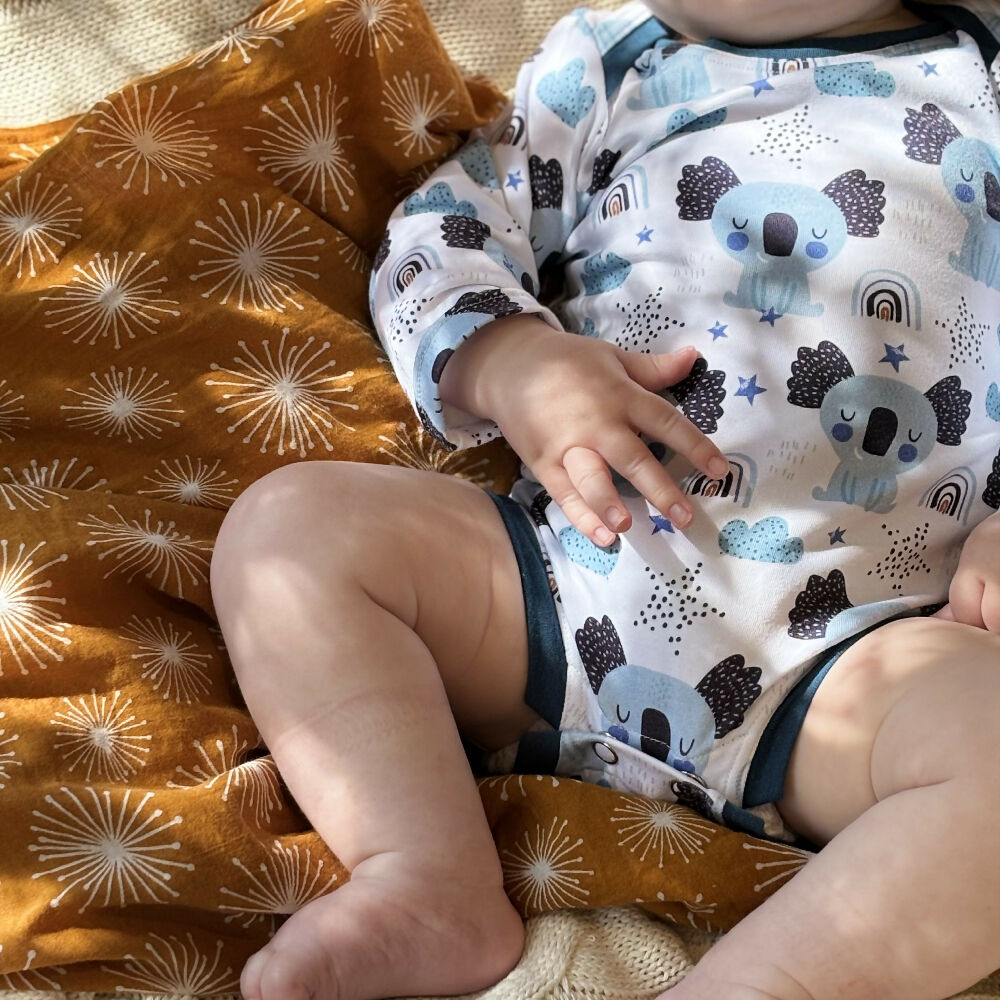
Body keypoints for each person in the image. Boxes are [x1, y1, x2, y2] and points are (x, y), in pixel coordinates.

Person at [209, 0, 1000, 997]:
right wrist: (511, 362)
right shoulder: (610, 61)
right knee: (291, 534)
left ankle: (768, 982)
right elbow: (442, 235)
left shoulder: (981, 79)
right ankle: (423, 874)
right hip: (556, 593)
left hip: (853, 657)